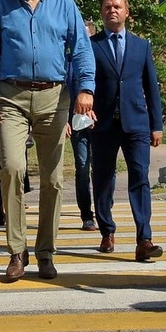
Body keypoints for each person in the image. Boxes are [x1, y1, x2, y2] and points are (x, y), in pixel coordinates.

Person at [0, 0, 95, 282]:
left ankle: (45, 251)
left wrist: (85, 89)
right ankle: (16, 251)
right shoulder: (1, 6)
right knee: (11, 167)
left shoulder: (64, 4)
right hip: (10, 96)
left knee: (53, 178)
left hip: (54, 97)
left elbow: (82, 50)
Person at [89, 0, 164, 261]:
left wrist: (157, 124)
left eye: (117, 6)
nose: (112, 10)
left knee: (140, 179)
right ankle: (107, 230)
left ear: (126, 12)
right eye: (107, 7)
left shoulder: (141, 46)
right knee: (103, 179)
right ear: (102, 13)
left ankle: (144, 238)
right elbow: (82, 82)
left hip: (137, 124)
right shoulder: (91, 45)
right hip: (103, 124)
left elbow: (150, 86)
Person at [66, 19, 97, 231]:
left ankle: (105, 209)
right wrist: (64, 121)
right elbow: (61, 93)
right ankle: (87, 215)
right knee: (82, 168)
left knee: (104, 170)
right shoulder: (67, 61)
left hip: (99, 123)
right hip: (76, 124)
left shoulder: (99, 57)